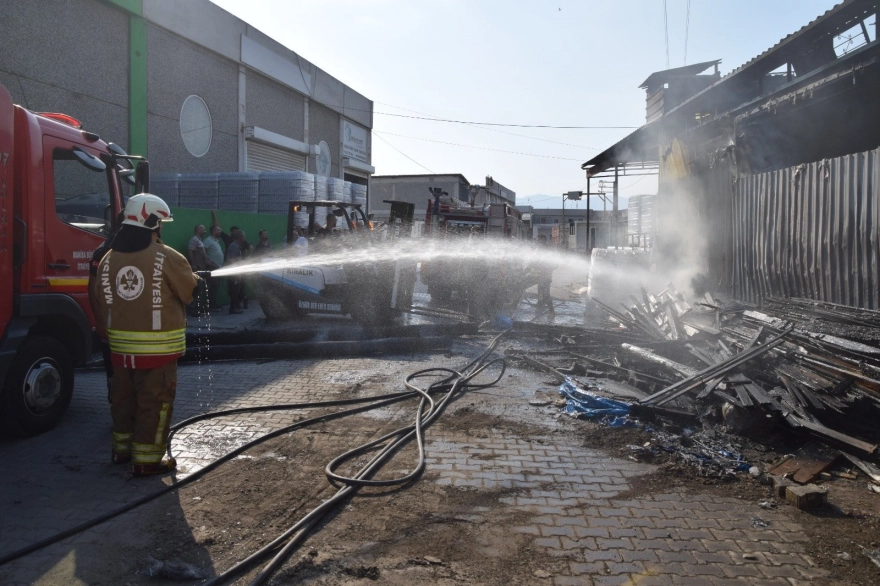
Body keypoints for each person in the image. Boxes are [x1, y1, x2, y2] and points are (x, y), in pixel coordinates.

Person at [94, 193, 202, 476]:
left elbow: (99, 299)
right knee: (154, 404)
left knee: (123, 400)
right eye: (161, 223)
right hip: (158, 352)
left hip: (119, 351)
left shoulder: (107, 259)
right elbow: (189, 293)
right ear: (152, 222)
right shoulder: (166, 256)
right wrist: (198, 281)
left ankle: (121, 451)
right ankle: (147, 460)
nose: (162, 228)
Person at [87, 214, 124, 403]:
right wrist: (100, 322)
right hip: (111, 323)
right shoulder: (104, 251)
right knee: (114, 370)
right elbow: (93, 289)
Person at [187, 224, 208, 315]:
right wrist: (193, 264)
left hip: (201, 267)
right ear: (198, 230)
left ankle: (197, 308)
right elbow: (190, 251)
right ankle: (192, 309)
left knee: (200, 288)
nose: (205, 231)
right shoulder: (194, 240)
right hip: (197, 268)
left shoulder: (199, 240)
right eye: (203, 229)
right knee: (196, 288)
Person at [203, 224, 225, 311]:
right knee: (212, 287)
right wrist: (207, 260)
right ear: (213, 231)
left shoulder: (216, 241)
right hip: (212, 268)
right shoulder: (208, 240)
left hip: (217, 267)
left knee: (215, 287)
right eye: (218, 230)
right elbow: (202, 251)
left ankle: (213, 304)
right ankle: (210, 305)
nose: (220, 232)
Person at [225, 228, 246, 314]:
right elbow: (231, 260)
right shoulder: (234, 246)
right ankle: (232, 309)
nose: (244, 238)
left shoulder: (237, 245)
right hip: (234, 273)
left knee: (237, 290)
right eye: (243, 236)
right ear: (240, 237)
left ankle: (235, 307)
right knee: (234, 290)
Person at [534, 235, 555, 318]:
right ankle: (540, 303)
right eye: (537, 241)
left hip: (546, 276)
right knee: (540, 290)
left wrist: (548, 268)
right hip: (540, 275)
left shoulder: (548, 251)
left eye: (539, 241)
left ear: (543, 241)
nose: (538, 243)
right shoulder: (538, 250)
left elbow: (555, 263)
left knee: (546, 294)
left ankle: (551, 311)